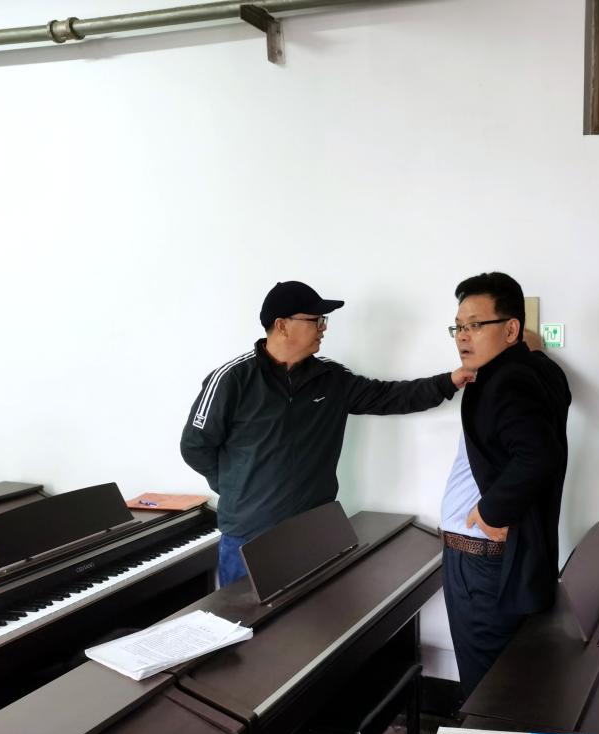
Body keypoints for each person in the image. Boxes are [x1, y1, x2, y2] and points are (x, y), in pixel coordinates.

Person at [181, 280, 474, 586]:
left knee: (320, 615)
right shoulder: (232, 379)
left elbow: (389, 397)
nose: (323, 328)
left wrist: (448, 382)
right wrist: (236, 488)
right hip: (248, 539)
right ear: (281, 325)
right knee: (245, 616)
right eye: (316, 320)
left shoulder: (331, 378)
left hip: (315, 533)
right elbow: (194, 447)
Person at [440, 272, 571, 697]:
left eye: (476, 325)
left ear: (511, 329)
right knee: (508, 680)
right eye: (458, 327)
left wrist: (490, 511)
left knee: (486, 686)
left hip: (480, 561)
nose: (464, 336)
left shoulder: (504, 381)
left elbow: (539, 455)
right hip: (500, 560)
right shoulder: (539, 371)